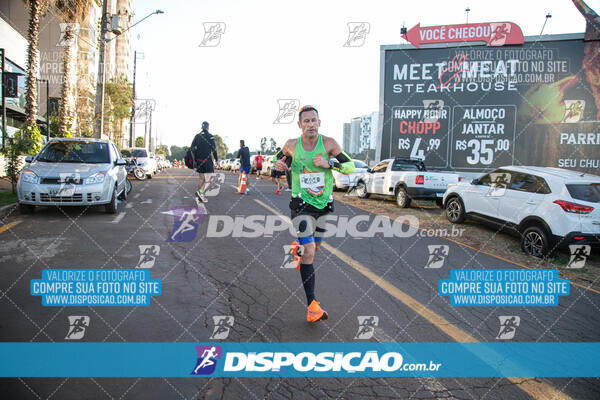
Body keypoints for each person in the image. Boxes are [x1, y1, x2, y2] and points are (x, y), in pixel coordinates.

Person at [274, 105, 354, 322]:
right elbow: (277, 162)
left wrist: (329, 164)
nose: (310, 124)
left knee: (316, 247)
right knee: (309, 250)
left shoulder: (329, 144)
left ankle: (297, 250)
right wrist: (279, 166)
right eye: (306, 121)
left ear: (320, 122)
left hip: (323, 205)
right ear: (299, 125)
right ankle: (312, 306)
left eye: (314, 120)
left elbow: (350, 167)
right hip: (300, 204)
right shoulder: (291, 145)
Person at [190, 121, 218, 202]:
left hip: (199, 161)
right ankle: (200, 192)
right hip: (207, 161)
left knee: (201, 178)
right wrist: (216, 159)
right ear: (208, 127)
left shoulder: (197, 136)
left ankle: (199, 197)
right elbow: (214, 149)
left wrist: (195, 157)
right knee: (210, 178)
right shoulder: (210, 136)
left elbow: (192, 148)